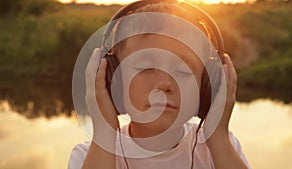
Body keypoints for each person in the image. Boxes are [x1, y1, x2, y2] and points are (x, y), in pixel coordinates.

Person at [68, 1, 251, 169]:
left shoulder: (221, 148)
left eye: (183, 71)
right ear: (113, 80)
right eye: (146, 68)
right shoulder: (89, 156)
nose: (164, 84)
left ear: (206, 86)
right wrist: (104, 132)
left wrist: (218, 138)